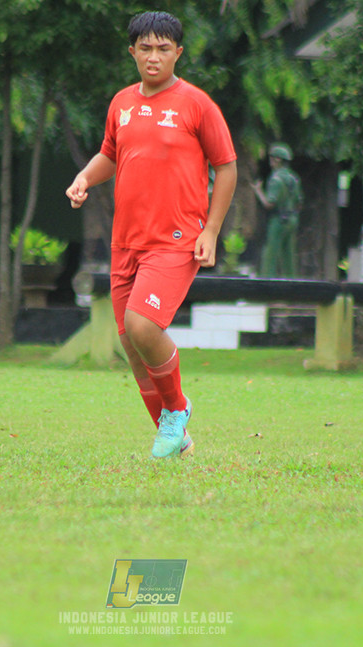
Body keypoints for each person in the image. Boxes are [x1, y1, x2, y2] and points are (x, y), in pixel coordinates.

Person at [65, 11, 237, 458]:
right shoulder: (121, 102)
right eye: (145, 48)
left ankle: (177, 411)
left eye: (164, 49)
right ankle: (178, 441)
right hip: (127, 240)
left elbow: (227, 166)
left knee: (143, 326)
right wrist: (84, 177)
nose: (154, 57)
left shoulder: (197, 104)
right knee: (131, 343)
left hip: (177, 239)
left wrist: (212, 231)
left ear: (178, 52)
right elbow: (110, 154)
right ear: (132, 52)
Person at [252, 142, 302, 277]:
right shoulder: (294, 179)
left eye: (272, 158)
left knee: (270, 253)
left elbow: (269, 203)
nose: (271, 162)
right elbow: (299, 203)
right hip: (292, 219)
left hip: (278, 220)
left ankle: (266, 284)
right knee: (289, 254)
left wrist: (258, 191)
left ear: (278, 160)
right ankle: (291, 284)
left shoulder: (275, 179)